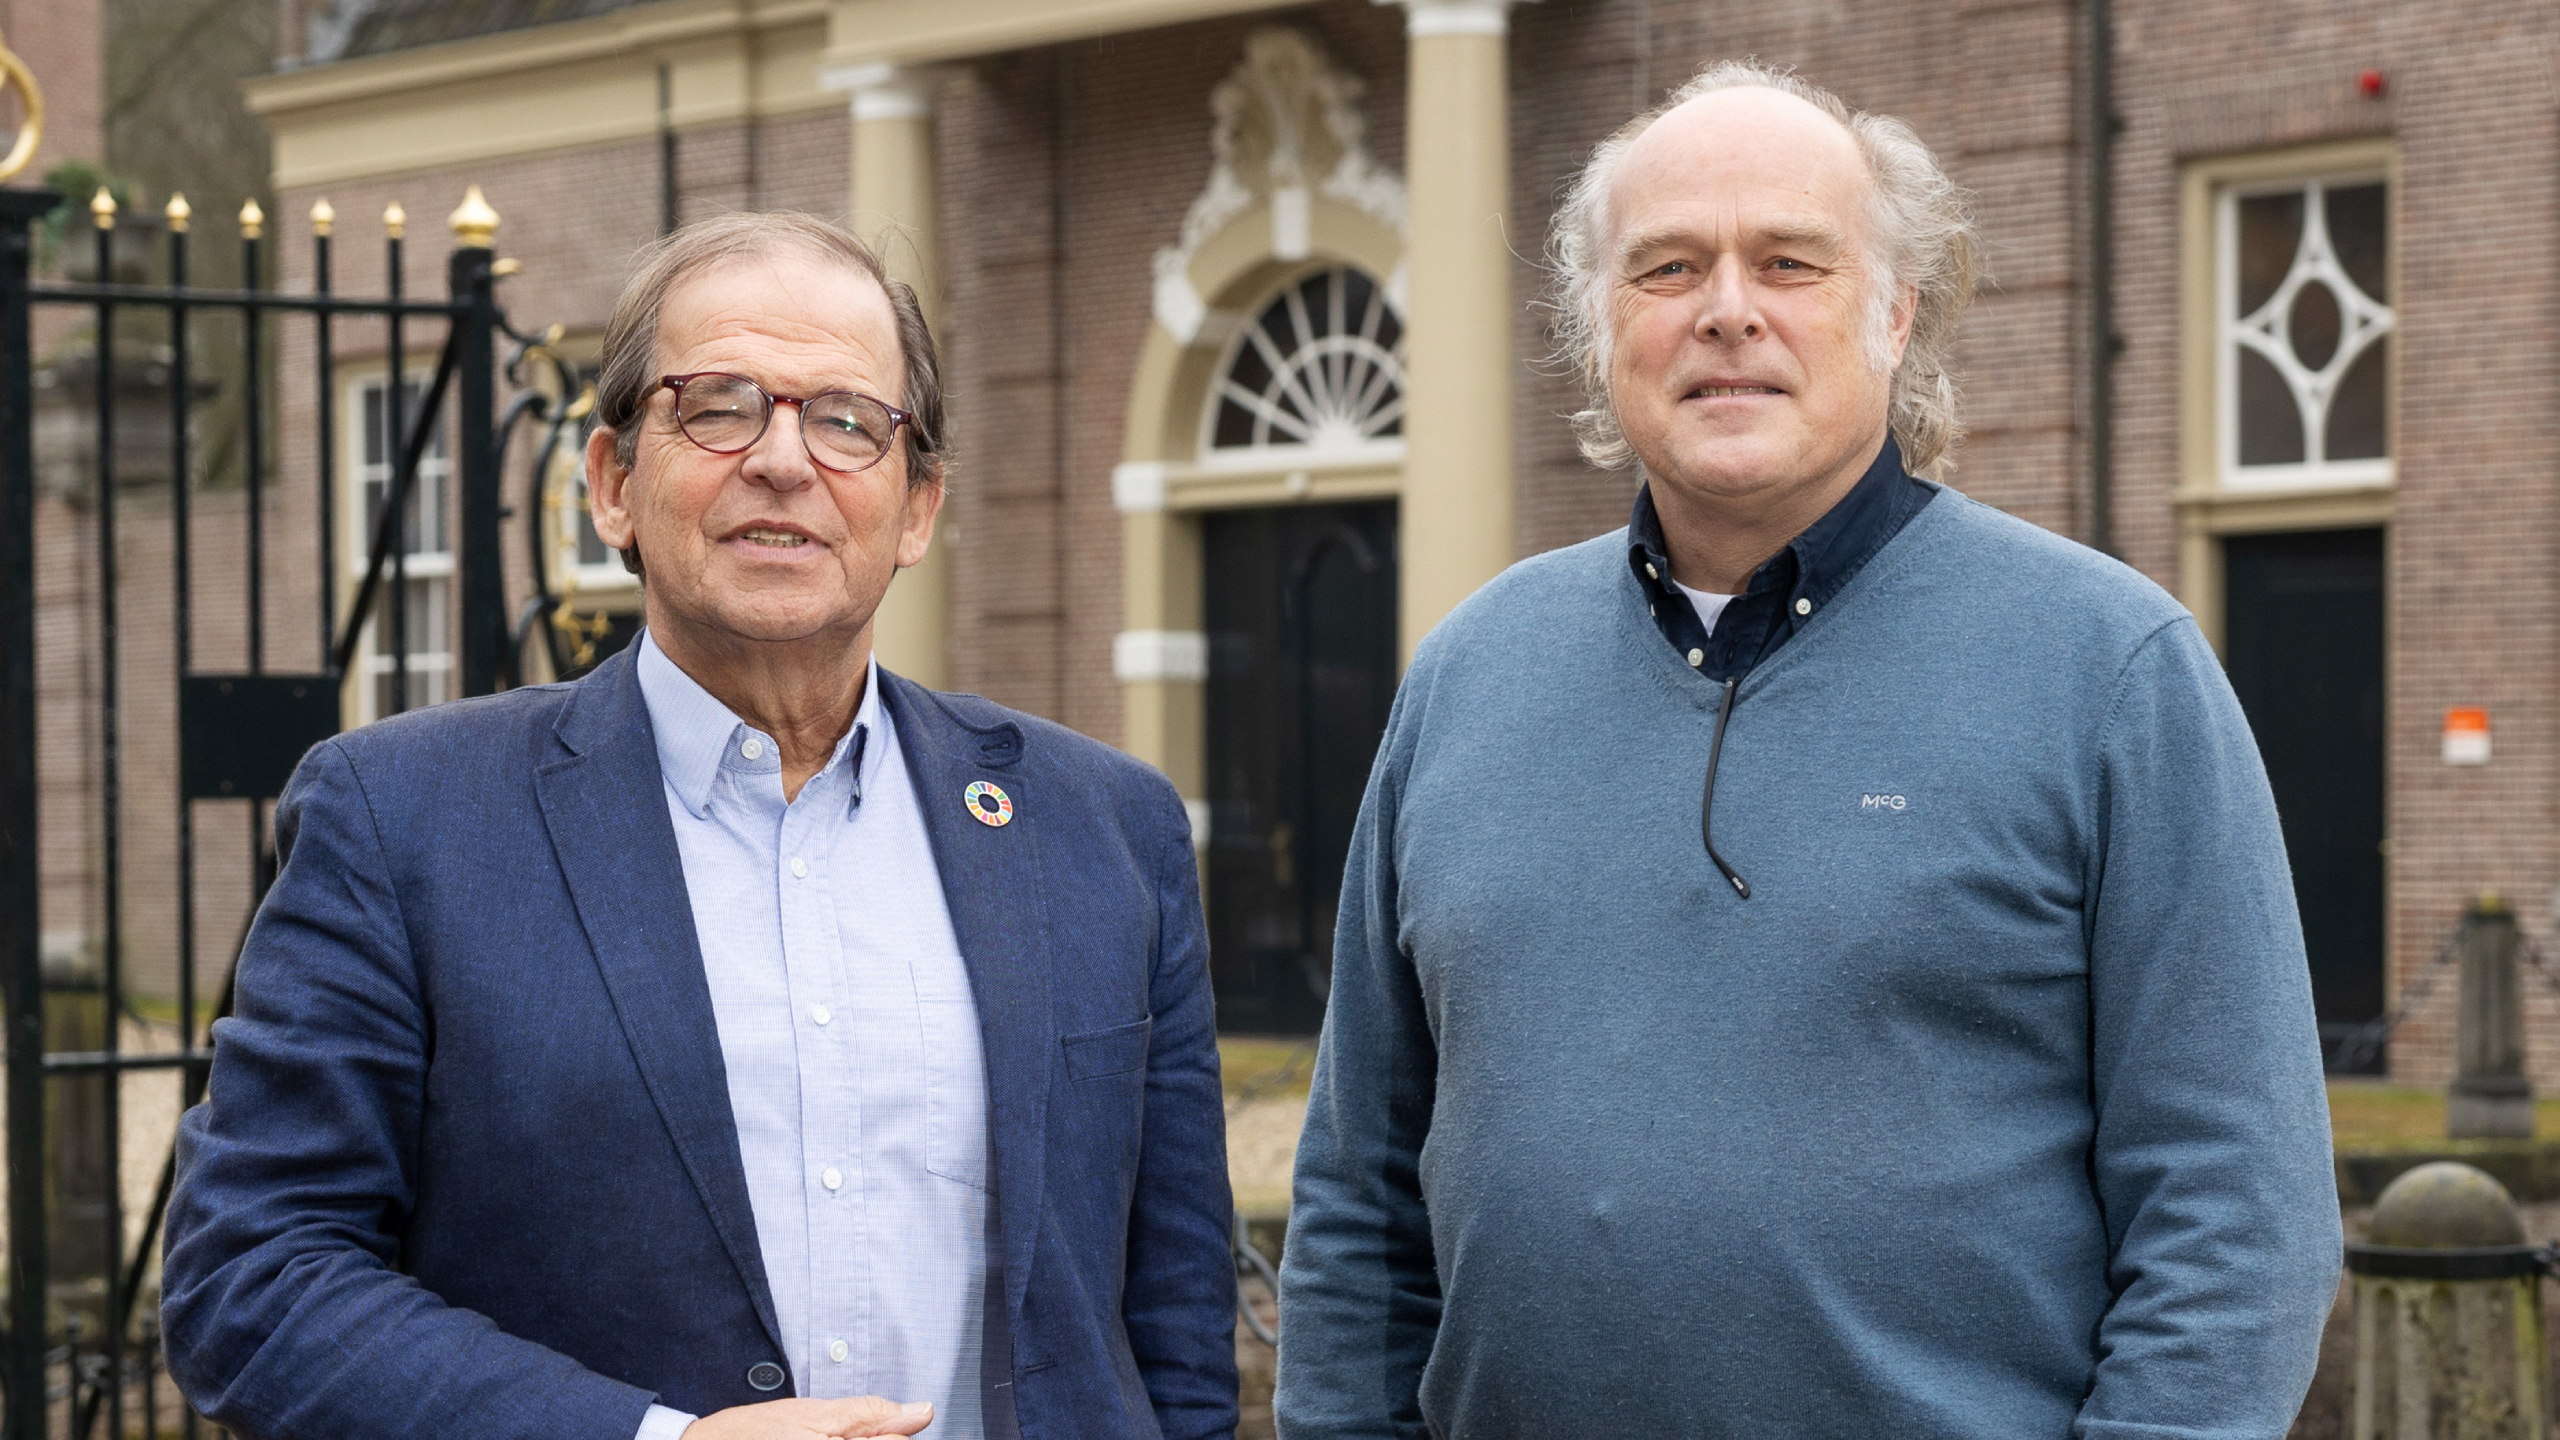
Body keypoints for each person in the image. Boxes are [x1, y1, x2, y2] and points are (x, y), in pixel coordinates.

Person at [1275, 61, 2338, 1439]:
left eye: (1791, 262)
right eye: (1665, 269)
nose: (1728, 309)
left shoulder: (2112, 672)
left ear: (1896, 315)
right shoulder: (1470, 674)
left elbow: (2236, 1216)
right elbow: (1359, 1181)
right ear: (1601, 329)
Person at [162, 212, 1239, 1440]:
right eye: (719, 405)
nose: (784, 460)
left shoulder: (1105, 828)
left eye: (845, 420)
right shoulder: (399, 822)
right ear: (614, 483)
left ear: (918, 505)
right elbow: (249, 1277)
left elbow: (1176, 1333)